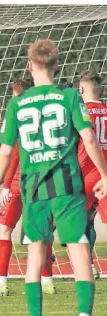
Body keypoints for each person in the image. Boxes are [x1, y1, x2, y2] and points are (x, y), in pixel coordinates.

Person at [0, 39, 107, 316]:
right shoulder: (70, 97)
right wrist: (104, 173)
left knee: (36, 253)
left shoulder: (17, 104)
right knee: (78, 247)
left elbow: (5, 152)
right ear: (56, 65)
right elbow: (89, 139)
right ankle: (84, 314)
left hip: (33, 188)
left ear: (30, 66)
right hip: (67, 185)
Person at [0, 78, 56, 296]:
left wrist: (4, 185)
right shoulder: (49, 111)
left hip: (19, 181)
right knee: (42, 231)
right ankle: (47, 282)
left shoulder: (18, 112)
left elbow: (12, 152)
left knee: (3, 229)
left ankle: (0, 284)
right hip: (45, 179)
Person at [76, 70, 107, 280]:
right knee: (89, 221)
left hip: (82, 175)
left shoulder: (79, 112)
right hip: (105, 177)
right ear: (101, 90)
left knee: (77, 223)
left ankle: (85, 266)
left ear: (80, 90)